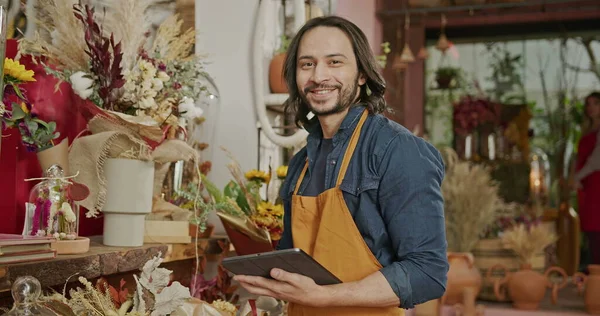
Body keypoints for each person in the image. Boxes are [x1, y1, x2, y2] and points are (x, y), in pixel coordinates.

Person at [234, 16, 448, 315]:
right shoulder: (300, 164)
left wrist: (324, 297)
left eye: (334, 62)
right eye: (306, 64)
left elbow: (427, 273)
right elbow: (297, 260)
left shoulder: (398, 150)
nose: (318, 76)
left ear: (362, 74)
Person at [575, 92, 600, 265]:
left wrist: (577, 177)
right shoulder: (588, 130)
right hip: (588, 188)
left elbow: (596, 161)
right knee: (592, 235)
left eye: (596, 103)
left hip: (596, 187)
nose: (590, 107)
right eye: (588, 104)